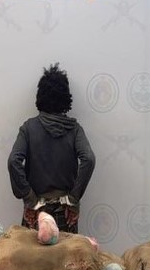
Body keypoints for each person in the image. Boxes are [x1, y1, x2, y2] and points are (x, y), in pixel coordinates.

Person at [7, 63, 96, 233]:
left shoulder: (28, 128)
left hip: (36, 212)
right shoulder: (74, 130)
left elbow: (13, 161)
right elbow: (89, 159)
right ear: (66, 98)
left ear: (40, 96)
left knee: (30, 251)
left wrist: (30, 199)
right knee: (67, 251)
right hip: (65, 213)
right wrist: (73, 199)